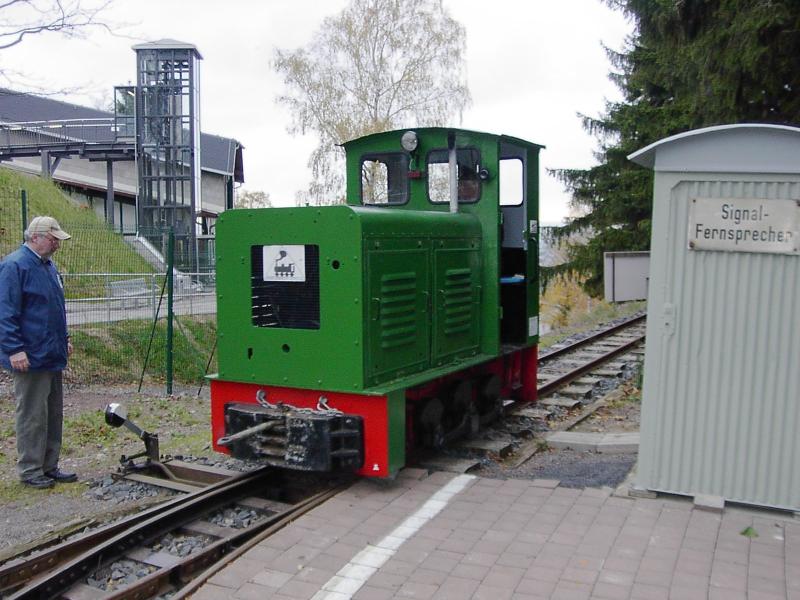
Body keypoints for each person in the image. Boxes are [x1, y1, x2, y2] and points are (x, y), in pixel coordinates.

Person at [0, 216, 76, 489]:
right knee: (32, 413)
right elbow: (6, 313)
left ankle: (49, 465)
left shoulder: (47, 266)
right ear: (36, 237)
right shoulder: (14, 266)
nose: (57, 244)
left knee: (53, 412)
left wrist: (63, 338)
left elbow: (53, 309)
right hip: (29, 356)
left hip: (50, 352)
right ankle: (30, 469)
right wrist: (14, 349)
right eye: (53, 238)